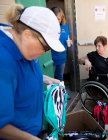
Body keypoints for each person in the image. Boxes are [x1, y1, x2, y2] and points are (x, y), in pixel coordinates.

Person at [0, 4, 65, 140]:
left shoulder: (26, 50)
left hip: (35, 127)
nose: (47, 52)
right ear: (27, 35)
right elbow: (2, 126)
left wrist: (48, 79)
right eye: (46, 46)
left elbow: (25, 76)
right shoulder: (4, 61)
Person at [51, 7, 71, 100]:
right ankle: (52, 98)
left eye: (59, 19)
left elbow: (67, 38)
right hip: (51, 58)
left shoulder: (65, 26)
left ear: (61, 18)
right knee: (51, 78)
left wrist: (69, 42)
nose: (57, 21)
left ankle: (63, 94)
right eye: (55, 19)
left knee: (60, 77)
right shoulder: (49, 27)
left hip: (62, 56)